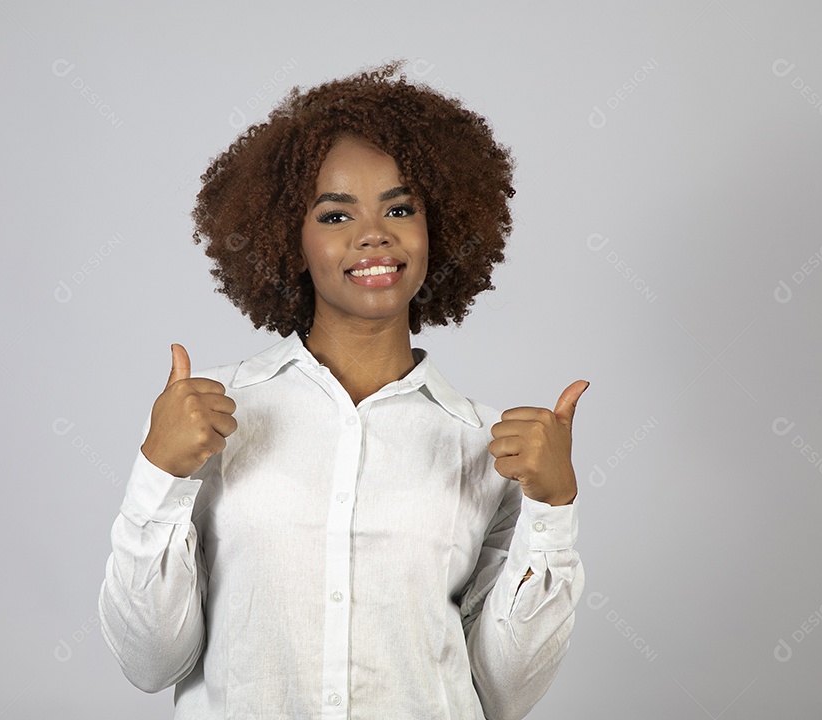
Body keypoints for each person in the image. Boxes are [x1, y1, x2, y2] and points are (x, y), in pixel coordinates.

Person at [98, 59, 587, 720]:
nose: (372, 233)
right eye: (334, 215)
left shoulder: (488, 447)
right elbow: (150, 663)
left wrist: (552, 510)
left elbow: (501, 694)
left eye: (400, 208)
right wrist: (158, 474)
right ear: (290, 240)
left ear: (434, 227)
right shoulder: (214, 419)